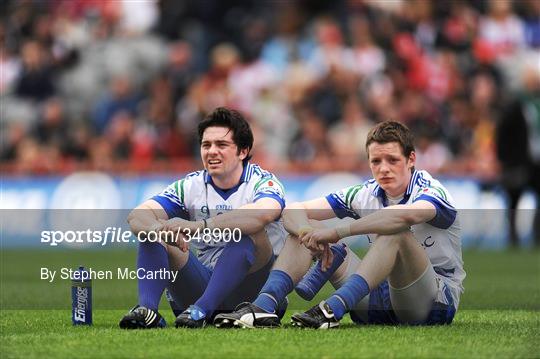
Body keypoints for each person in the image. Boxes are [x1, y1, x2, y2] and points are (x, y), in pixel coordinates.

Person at [214, 121, 464, 328]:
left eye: (392, 160)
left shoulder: (431, 189)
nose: (383, 169)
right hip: (376, 300)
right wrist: (307, 232)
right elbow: (293, 209)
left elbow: (403, 217)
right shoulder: (365, 192)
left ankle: (332, 309)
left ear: (411, 159)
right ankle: (263, 307)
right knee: (304, 227)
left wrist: (336, 232)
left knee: (395, 231)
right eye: (376, 161)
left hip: (430, 303)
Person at [119, 107, 287, 329]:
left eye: (222, 145)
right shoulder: (191, 185)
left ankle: (202, 309)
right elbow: (136, 216)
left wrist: (199, 226)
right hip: (202, 285)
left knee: (250, 232)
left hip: (251, 293)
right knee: (151, 230)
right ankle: (148, 310)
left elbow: (264, 213)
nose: (212, 151)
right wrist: (160, 230)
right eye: (206, 145)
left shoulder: (262, 181)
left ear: (243, 151)